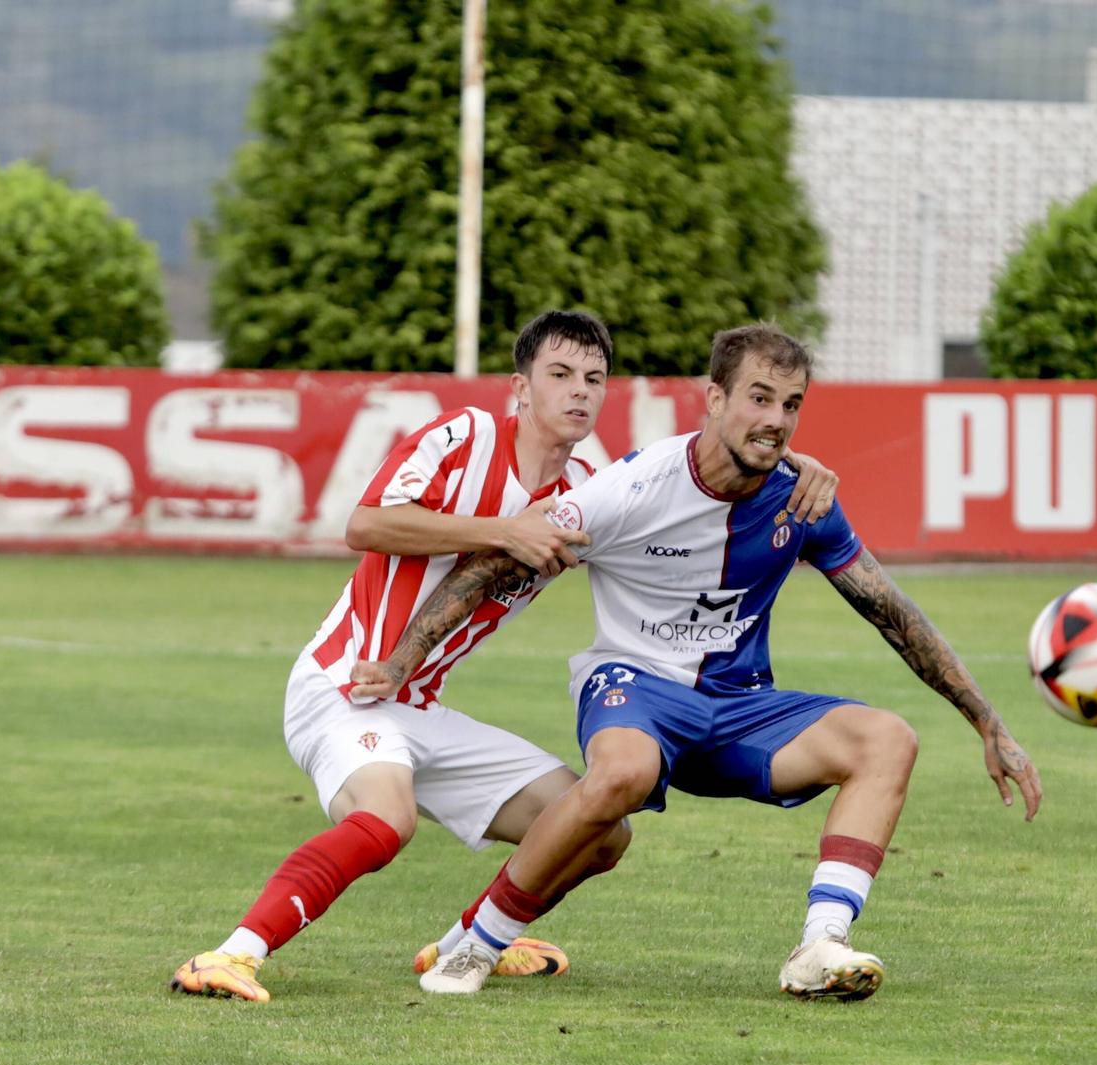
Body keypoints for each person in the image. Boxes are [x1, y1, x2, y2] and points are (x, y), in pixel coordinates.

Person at [354, 322, 1043, 1001]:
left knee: (888, 738)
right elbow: (496, 564)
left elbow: (892, 612)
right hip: (634, 688)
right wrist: (402, 659)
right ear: (714, 399)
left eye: (791, 404)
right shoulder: (633, 487)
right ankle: (478, 942)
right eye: (759, 397)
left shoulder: (804, 500)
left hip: (738, 706)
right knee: (623, 771)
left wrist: (986, 719)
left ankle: (820, 945)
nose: (775, 420)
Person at [170, 311, 842, 1002]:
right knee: (386, 818)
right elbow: (364, 523)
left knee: (600, 831)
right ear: (521, 388)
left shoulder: (590, 481)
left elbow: (691, 482)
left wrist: (794, 463)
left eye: (593, 378)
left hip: (422, 709)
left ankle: (470, 941)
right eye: (558, 375)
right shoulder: (465, 437)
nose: (578, 391)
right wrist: (504, 530)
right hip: (346, 684)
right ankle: (229, 954)